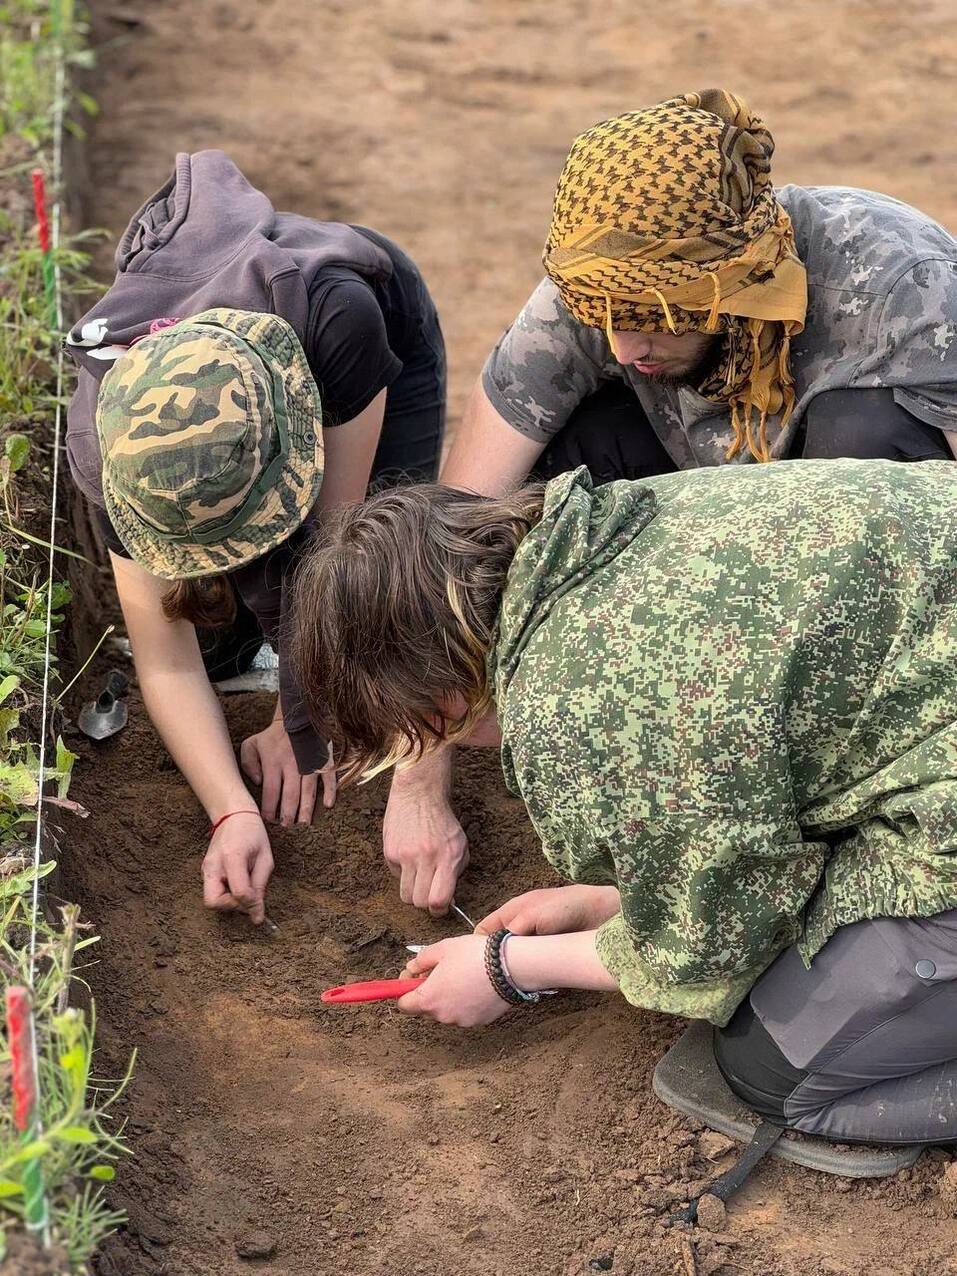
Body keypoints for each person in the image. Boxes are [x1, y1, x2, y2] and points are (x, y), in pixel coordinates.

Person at [384, 87, 957, 917]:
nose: (623, 344)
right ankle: (642, 716)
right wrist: (419, 780)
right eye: (603, 317)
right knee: (554, 459)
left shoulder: (900, 284)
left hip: (852, 549)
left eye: (653, 318)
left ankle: (834, 765)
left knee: (869, 425)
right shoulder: (599, 296)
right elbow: (451, 535)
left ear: (731, 275)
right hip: (698, 515)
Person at [291, 457, 957, 1147]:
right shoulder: (598, 528)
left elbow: (715, 948)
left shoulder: (577, 703)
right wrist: (605, 901)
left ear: (438, 693)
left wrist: (505, 969)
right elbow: (756, 775)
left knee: (774, 1070)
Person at [64, 151, 445, 924]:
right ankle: (255, 636)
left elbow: (334, 558)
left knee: (379, 583)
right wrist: (230, 812)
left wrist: (298, 722)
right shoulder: (111, 451)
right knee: (214, 635)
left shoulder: (341, 325)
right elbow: (163, 662)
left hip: (356, 342)